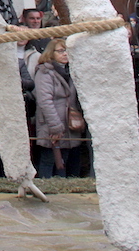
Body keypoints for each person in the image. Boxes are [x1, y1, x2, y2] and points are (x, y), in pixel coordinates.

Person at [34, 38, 83, 178]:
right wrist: (55, 126)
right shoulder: (44, 72)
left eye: (67, 50)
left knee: (64, 162)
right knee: (49, 160)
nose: (65, 54)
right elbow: (45, 101)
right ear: (51, 53)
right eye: (61, 51)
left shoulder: (71, 71)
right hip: (51, 124)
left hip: (68, 124)